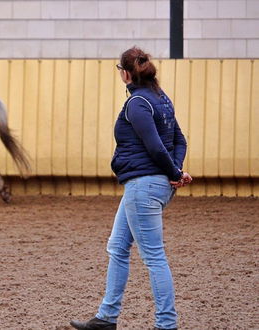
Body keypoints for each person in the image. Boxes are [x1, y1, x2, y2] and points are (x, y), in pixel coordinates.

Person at [70, 47, 192, 330]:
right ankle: (106, 317)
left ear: (125, 73)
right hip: (150, 185)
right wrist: (175, 172)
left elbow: (154, 146)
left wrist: (174, 172)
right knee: (118, 247)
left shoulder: (137, 103)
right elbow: (180, 140)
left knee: (154, 257)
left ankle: (166, 324)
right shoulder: (161, 99)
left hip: (143, 186)